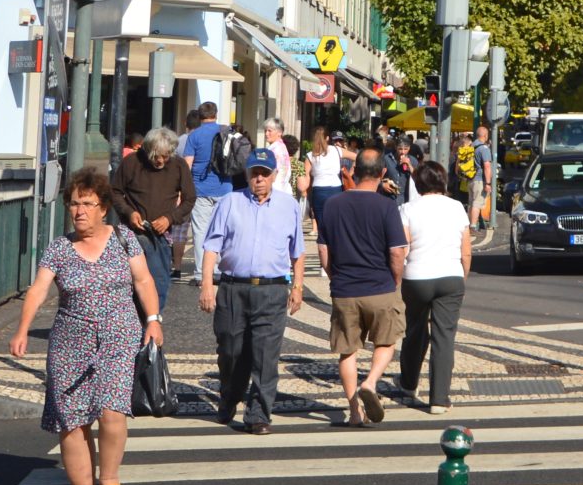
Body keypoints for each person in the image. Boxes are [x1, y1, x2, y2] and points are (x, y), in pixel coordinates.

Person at [9, 168, 160, 485]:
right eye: (74, 203)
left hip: (118, 335)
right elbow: (38, 290)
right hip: (69, 339)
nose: (79, 211)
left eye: (87, 203)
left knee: (111, 409)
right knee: (71, 415)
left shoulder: (124, 239)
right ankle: (81, 484)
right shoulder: (60, 248)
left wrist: (152, 320)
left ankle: (108, 480)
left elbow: (144, 281)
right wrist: (22, 330)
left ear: (103, 207)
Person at [196, 157, 303, 434]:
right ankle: (230, 396)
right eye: (255, 173)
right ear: (248, 174)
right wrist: (207, 284)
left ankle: (258, 414)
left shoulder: (288, 206)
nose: (259, 179)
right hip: (233, 287)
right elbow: (211, 246)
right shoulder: (230, 202)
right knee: (231, 349)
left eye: (264, 174)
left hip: (272, 289)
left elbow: (297, 251)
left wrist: (298, 287)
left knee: (266, 356)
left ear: (274, 176)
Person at [315, 146, 408, 426]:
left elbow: (323, 251)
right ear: (381, 173)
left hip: (345, 289)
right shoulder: (387, 207)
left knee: (348, 350)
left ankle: (354, 411)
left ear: (354, 171)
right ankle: (370, 382)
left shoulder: (333, 204)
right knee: (386, 342)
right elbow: (396, 252)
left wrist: (335, 276)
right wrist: (395, 280)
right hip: (380, 287)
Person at [397, 159, 473, 413]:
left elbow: (403, 249)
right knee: (444, 337)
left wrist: (398, 278)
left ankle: (408, 383)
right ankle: (439, 399)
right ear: (443, 181)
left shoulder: (407, 209)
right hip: (450, 276)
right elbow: (466, 251)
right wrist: (461, 279)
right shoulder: (457, 208)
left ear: (418, 184)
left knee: (414, 331)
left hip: (417, 277)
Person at [111, 125, 195, 318]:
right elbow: (115, 192)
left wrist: (170, 218)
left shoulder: (178, 165)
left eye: (165, 156)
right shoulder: (131, 162)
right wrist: (129, 212)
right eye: (156, 155)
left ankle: (152, 326)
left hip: (160, 235)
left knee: (159, 283)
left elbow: (190, 198)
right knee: (129, 285)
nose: (160, 161)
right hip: (132, 234)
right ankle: (133, 328)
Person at [176, 102, 234, 289]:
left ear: (200, 116)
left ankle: (202, 272)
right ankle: (220, 269)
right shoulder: (227, 133)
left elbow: (187, 165)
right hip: (225, 188)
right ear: (215, 114)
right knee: (223, 231)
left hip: (200, 189)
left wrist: (182, 190)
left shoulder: (194, 136)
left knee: (201, 231)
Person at [306, 127, 345, 225]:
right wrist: (351, 171)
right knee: (335, 221)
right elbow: (357, 157)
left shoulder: (310, 155)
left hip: (318, 189)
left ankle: (323, 239)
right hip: (336, 188)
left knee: (321, 224)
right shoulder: (337, 150)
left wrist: (305, 193)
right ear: (327, 138)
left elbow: (305, 175)